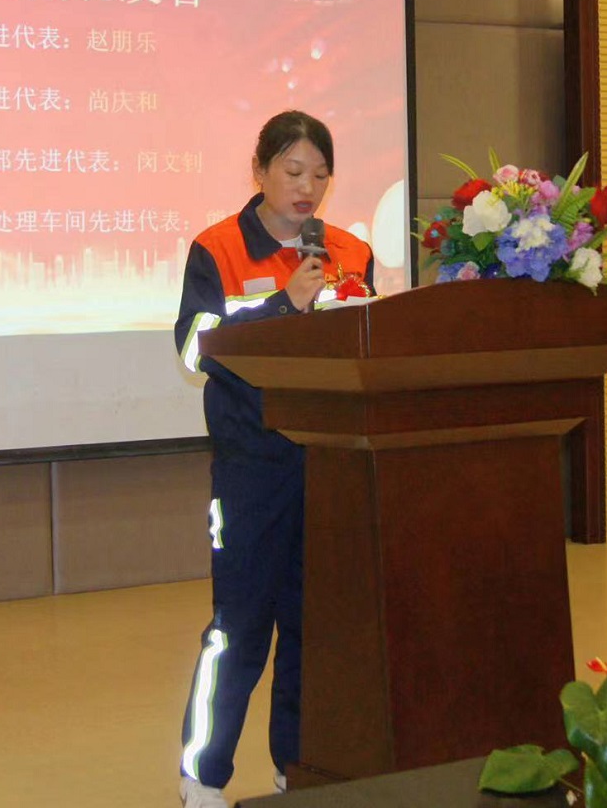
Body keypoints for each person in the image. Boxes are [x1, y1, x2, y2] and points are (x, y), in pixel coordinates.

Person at [175, 111, 375, 808]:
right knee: (239, 626)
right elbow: (194, 349)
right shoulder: (218, 248)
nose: (307, 187)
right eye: (293, 171)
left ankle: (299, 764)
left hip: (331, 464)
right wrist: (282, 306)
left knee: (312, 627)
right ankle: (203, 776)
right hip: (251, 466)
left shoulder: (349, 250)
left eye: (320, 174)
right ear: (259, 171)